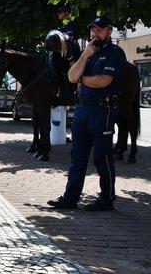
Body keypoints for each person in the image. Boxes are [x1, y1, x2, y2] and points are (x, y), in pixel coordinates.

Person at [48, 17, 125, 212]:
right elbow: (72, 77)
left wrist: (82, 78)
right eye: (93, 30)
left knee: (102, 156)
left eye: (99, 30)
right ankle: (70, 198)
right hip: (82, 110)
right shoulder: (88, 53)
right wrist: (85, 56)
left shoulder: (115, 53)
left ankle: (106, 199)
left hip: (102, 110)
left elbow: (103, 81)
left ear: (109, 31)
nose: (95, 34)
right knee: (77, 157)